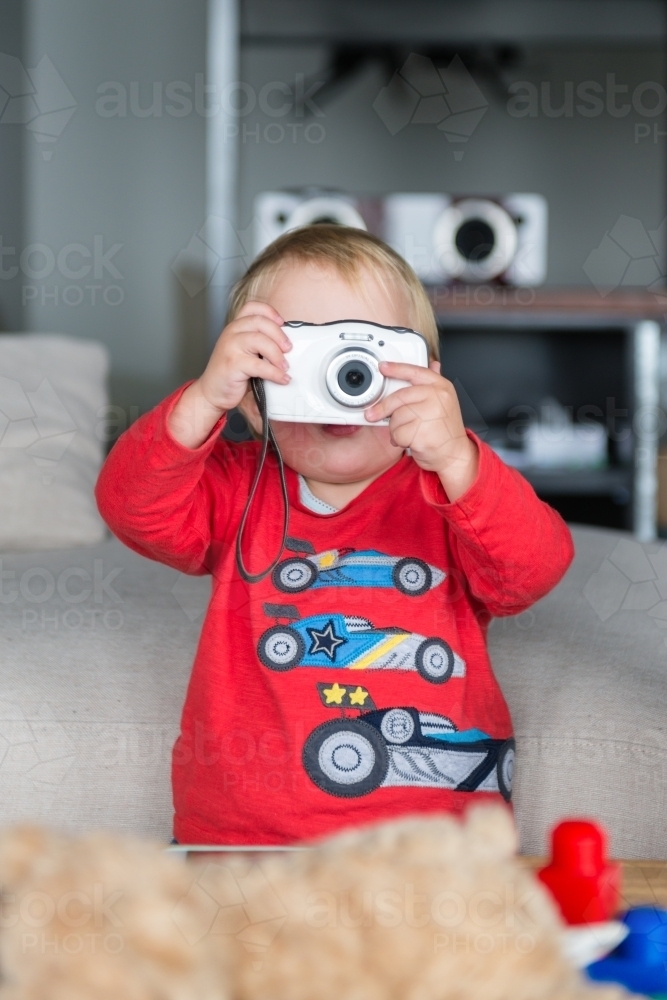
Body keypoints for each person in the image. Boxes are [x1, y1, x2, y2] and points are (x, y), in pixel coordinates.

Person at [96, 225, 574, 845]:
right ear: (252, 397)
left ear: (429, 380)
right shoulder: (237, 490)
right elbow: (130, 505)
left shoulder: (451, 491)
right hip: (244, 834)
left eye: (367, 356)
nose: (341, 383)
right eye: (306, 357)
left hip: (433, 840)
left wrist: (459, 460)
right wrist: (202, 400)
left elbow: (530, 573)